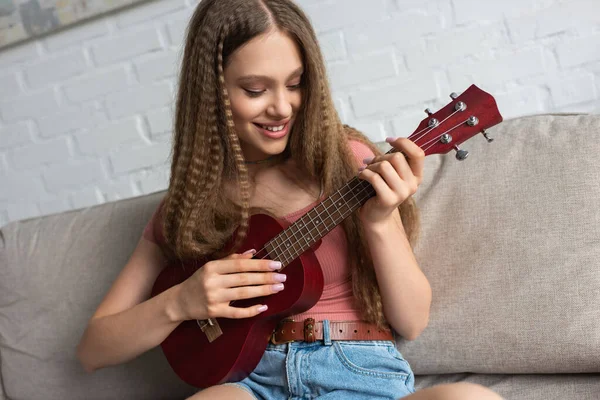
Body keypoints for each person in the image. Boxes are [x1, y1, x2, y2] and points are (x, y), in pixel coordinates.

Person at [77, 1, 504, 399]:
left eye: (295, 84)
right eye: (255, 90)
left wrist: (378, 221)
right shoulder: (188, 207)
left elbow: (412, 320)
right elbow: (94, 349)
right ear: (212, 93)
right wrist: (181, 301)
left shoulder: (348, 163)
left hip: (356, 369)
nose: (282, 108)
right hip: (250, 382)